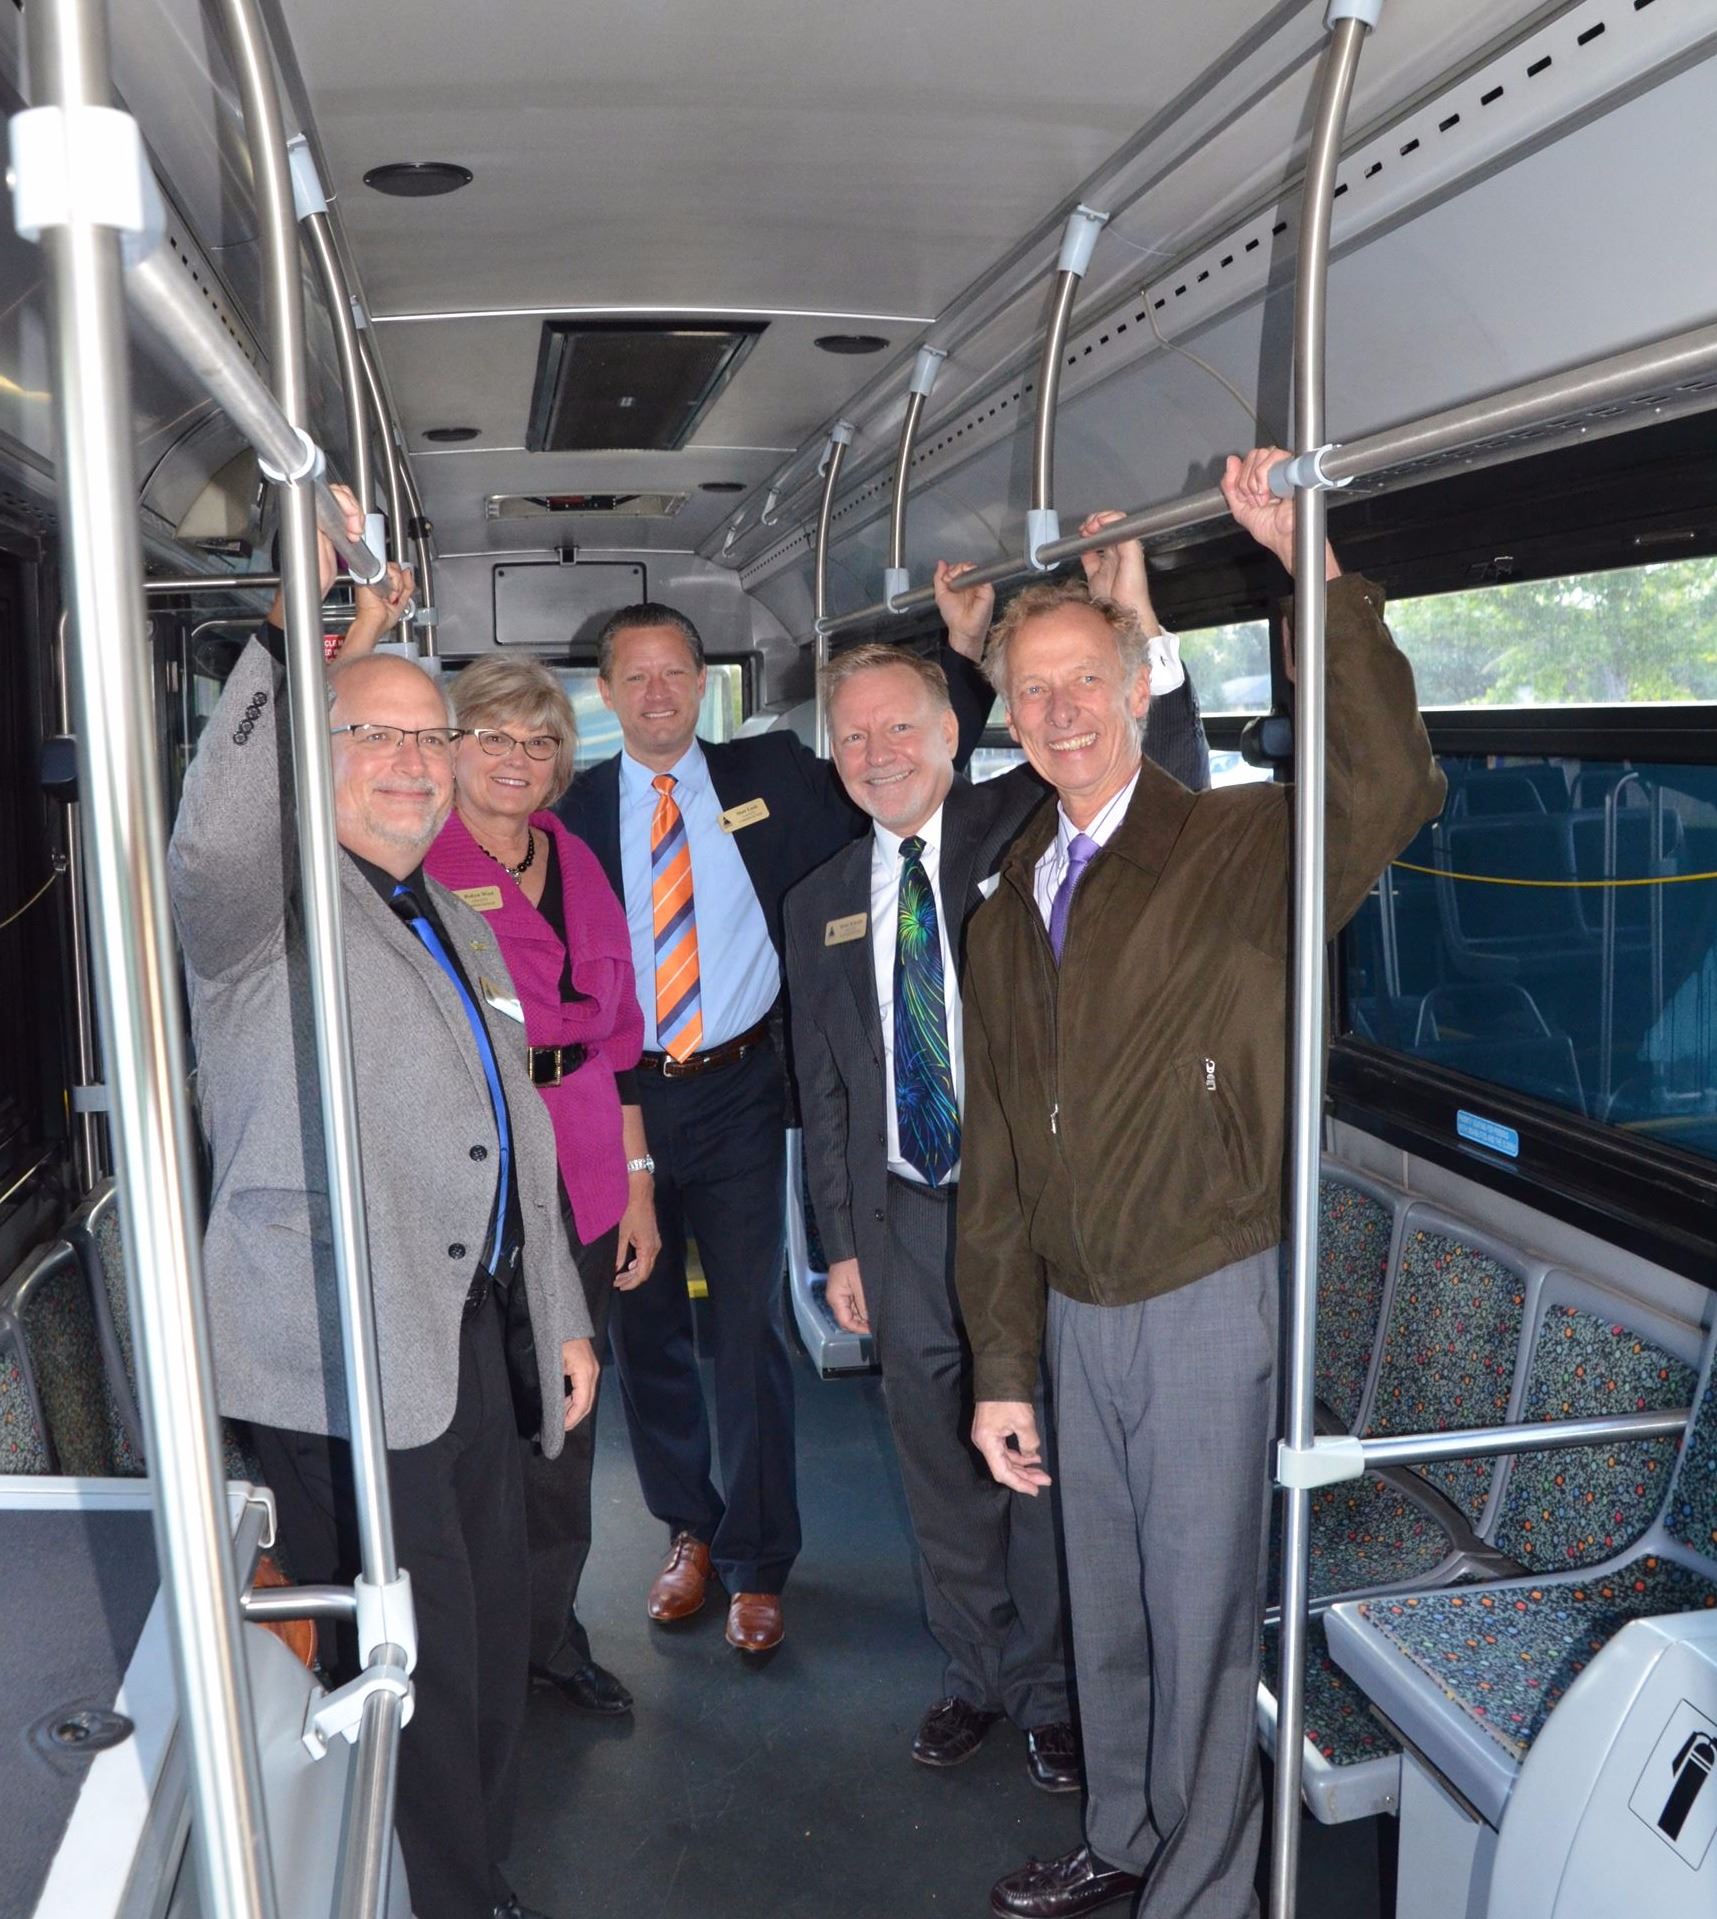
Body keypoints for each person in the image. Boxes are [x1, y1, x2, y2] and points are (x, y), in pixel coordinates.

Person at [958, 449, 1447, 1919]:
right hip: (1074, 1303)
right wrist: (1000, 1358)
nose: (1057, 711)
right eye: (1030, 691)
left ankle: (1205, 1885)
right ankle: (1123, 1831)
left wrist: (1315, 566)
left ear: (1131, 685)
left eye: (1080, 681)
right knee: (1104, 1604)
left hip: (1202, 1289)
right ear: (1010, 714)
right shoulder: (1006, 899)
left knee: (1196, 1606)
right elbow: (996, 1152)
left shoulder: (1236, 843)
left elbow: (1388, 780)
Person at [167, 491, 597, 1919]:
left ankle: (479, 1878)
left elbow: (514, 1127)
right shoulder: (265, 906)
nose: (412, 762)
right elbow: (219, 839)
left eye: (432, 735)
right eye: (373, 733)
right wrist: (301, 635)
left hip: (460, 1340)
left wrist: (558, 1316)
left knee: (481, 1640)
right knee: (401, 1675)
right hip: (333, 1358)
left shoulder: (448, 909)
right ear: (312, 753)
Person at [784, 523, 1208, 1791]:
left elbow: (1157, 786)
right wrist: (839, 1243)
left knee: (1035, 1460)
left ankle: (1057, 1686)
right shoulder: (818, 900)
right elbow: (828, 1085)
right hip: (904, 1217)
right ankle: (977, 1672)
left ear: (954, 732)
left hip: (1027, 1212)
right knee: (937, 1460)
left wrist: (1148, 648)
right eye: (853, 736)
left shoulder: (1018, 827)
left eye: (899, 728)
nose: (877, 753)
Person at [557, 598, 993, 1653]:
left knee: (747, 1328)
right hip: (626, 1098)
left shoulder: (777, 776)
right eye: (636, 677)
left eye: (676, 672)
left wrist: (967, 658)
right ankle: (687, 1526)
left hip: (743, 1086)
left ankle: (760, 1557)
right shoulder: (569, 810)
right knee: (645, 1324)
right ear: (607, 693)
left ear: (702, 682)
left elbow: (909, 764)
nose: (658, 693)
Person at [420, 655, 660, 1719]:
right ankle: (467, 1638)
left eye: (540, 741)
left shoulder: (575, 855)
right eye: (493, 737)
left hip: (588, 1165)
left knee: (569, 1419)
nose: (518, 760)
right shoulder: (415, 862)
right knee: (479, 1417)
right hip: (471, 1174)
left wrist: (639, 1182)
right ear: (451, 749)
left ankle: (549, 1631)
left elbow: (617, 1036)